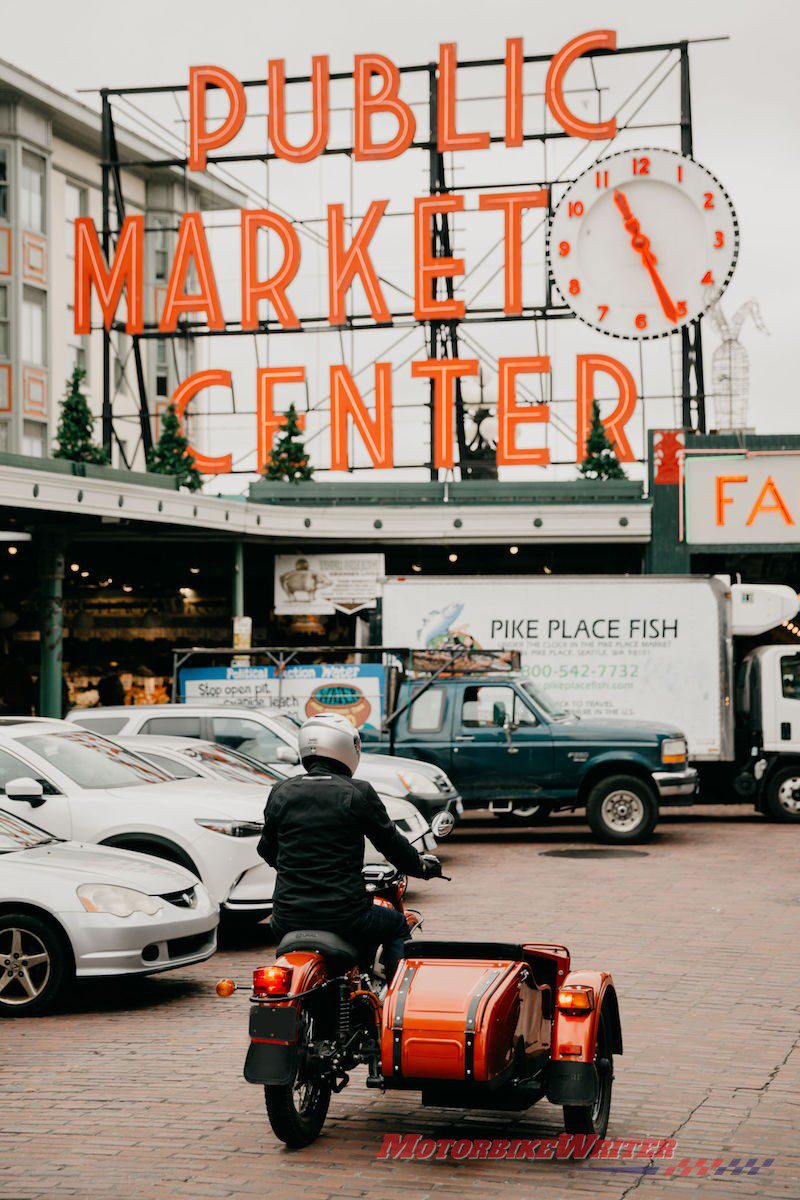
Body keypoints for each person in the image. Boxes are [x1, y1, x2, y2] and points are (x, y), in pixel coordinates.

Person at [257, 713, 441, 984]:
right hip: (344, 916)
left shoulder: (281, 791)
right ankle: (394, 1004)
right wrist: (422, 867)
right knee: (397, 925)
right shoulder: (357, 792)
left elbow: (267, 850)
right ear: (345, 747)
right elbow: (392, 845)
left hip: (286, 917)